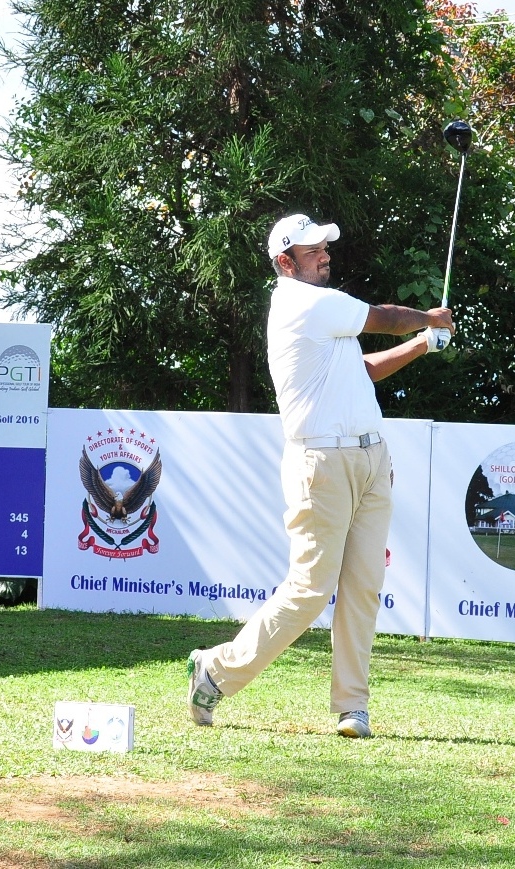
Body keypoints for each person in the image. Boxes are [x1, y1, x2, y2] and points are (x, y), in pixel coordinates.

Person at [187, 213, 454, 738]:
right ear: (285, 263)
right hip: (321, 464)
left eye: (324, 248)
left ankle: (353, 706)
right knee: (310, 589)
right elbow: (383, 318)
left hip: (370, 457)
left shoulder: (325, 314)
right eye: (312, 251)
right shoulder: (301, 303)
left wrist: (424, 342)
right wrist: (430, 318)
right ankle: (215, 671)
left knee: (364, 587)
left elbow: (364, 370)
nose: (324, 255)